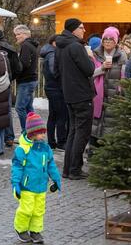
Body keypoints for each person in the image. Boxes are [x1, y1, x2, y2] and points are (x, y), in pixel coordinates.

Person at [11, 112, 62, 244]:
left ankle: (35, 230)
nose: (43, 135)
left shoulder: (45, 148)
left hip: (41, 187)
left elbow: (50, 164)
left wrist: (56, 179)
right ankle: (21, 229)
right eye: (41, 132)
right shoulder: (23, 149)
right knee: (26, 209)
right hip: (27, 186)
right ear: (32, 133)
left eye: (44, 132)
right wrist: (16, 184)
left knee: (39, 210)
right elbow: (17, 167)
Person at [55, 18, 94, 180]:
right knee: (81, 133)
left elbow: (56, 70)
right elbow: (89, 70)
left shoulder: (60, 46)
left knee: (73, 131)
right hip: (82, 94)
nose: (84, 30)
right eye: (81, 28)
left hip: (69, 94)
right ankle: (75, 169)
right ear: (73, 30)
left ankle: (68, 169)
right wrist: (90, 56)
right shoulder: (76, 47)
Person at [91, 27, 124, 149]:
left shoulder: (122, 56)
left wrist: (121, 91)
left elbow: (124, 77)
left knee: (111, 125)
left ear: (116, 41)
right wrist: (102, 68)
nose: (108, 41)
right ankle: (93, 152)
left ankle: (109, 153)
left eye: (111, 39)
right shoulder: (95, 55)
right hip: (98, 95)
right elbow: (90, 74)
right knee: (95, 125)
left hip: (114, 95)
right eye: (105, 39)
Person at [39, 36, 68, 150]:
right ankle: (61, 142)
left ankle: (51, 141)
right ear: (55, 43)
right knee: (61, 116)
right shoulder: (53, 54)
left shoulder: (49, 52)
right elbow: (54, 71)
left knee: (53, 115)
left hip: (52, 88)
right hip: (56, 89)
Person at [13, 25, 39, 136]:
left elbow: (23, 64)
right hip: (30, 80)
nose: (16, 37)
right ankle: (34, 131)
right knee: (29, 108)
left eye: (18, 34)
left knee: (19, 108)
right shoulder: (31, 45)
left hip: (26, 81)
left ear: (25, 34)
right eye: (16, 35)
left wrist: (15, 69)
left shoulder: (26, 46)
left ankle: (26, 133)